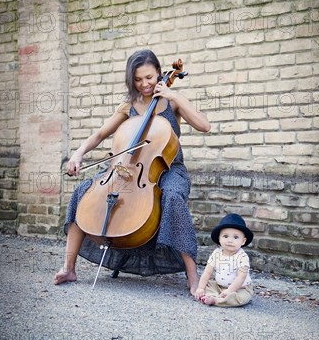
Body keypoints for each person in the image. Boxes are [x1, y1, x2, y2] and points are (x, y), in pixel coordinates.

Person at [54, 49, 210, 296]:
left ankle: (193, 278)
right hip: (128, 168)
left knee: (172, 197)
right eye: (138, 80)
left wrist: (175, 96)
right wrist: (78, 153)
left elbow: (205, 126)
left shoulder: (172, 101)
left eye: (149, 77)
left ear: (159, 72)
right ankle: (69, 267)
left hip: (170, 170)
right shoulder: (129, 105)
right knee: (84, 189)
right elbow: (100, 134)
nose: (145, 84)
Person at [195, 213, 254, 306]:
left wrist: (230, 291)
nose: (230, 240)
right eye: (225, 236)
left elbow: (241, 277)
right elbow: (207, 272)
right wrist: (200, 288)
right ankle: (212, 295)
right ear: (219, 238)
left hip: (239, 288)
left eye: (235, 237)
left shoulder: (242, 257)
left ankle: (217, 301)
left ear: (243, 241)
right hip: (219, 286)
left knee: (242, 298)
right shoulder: (216, 253)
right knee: (209, 284)